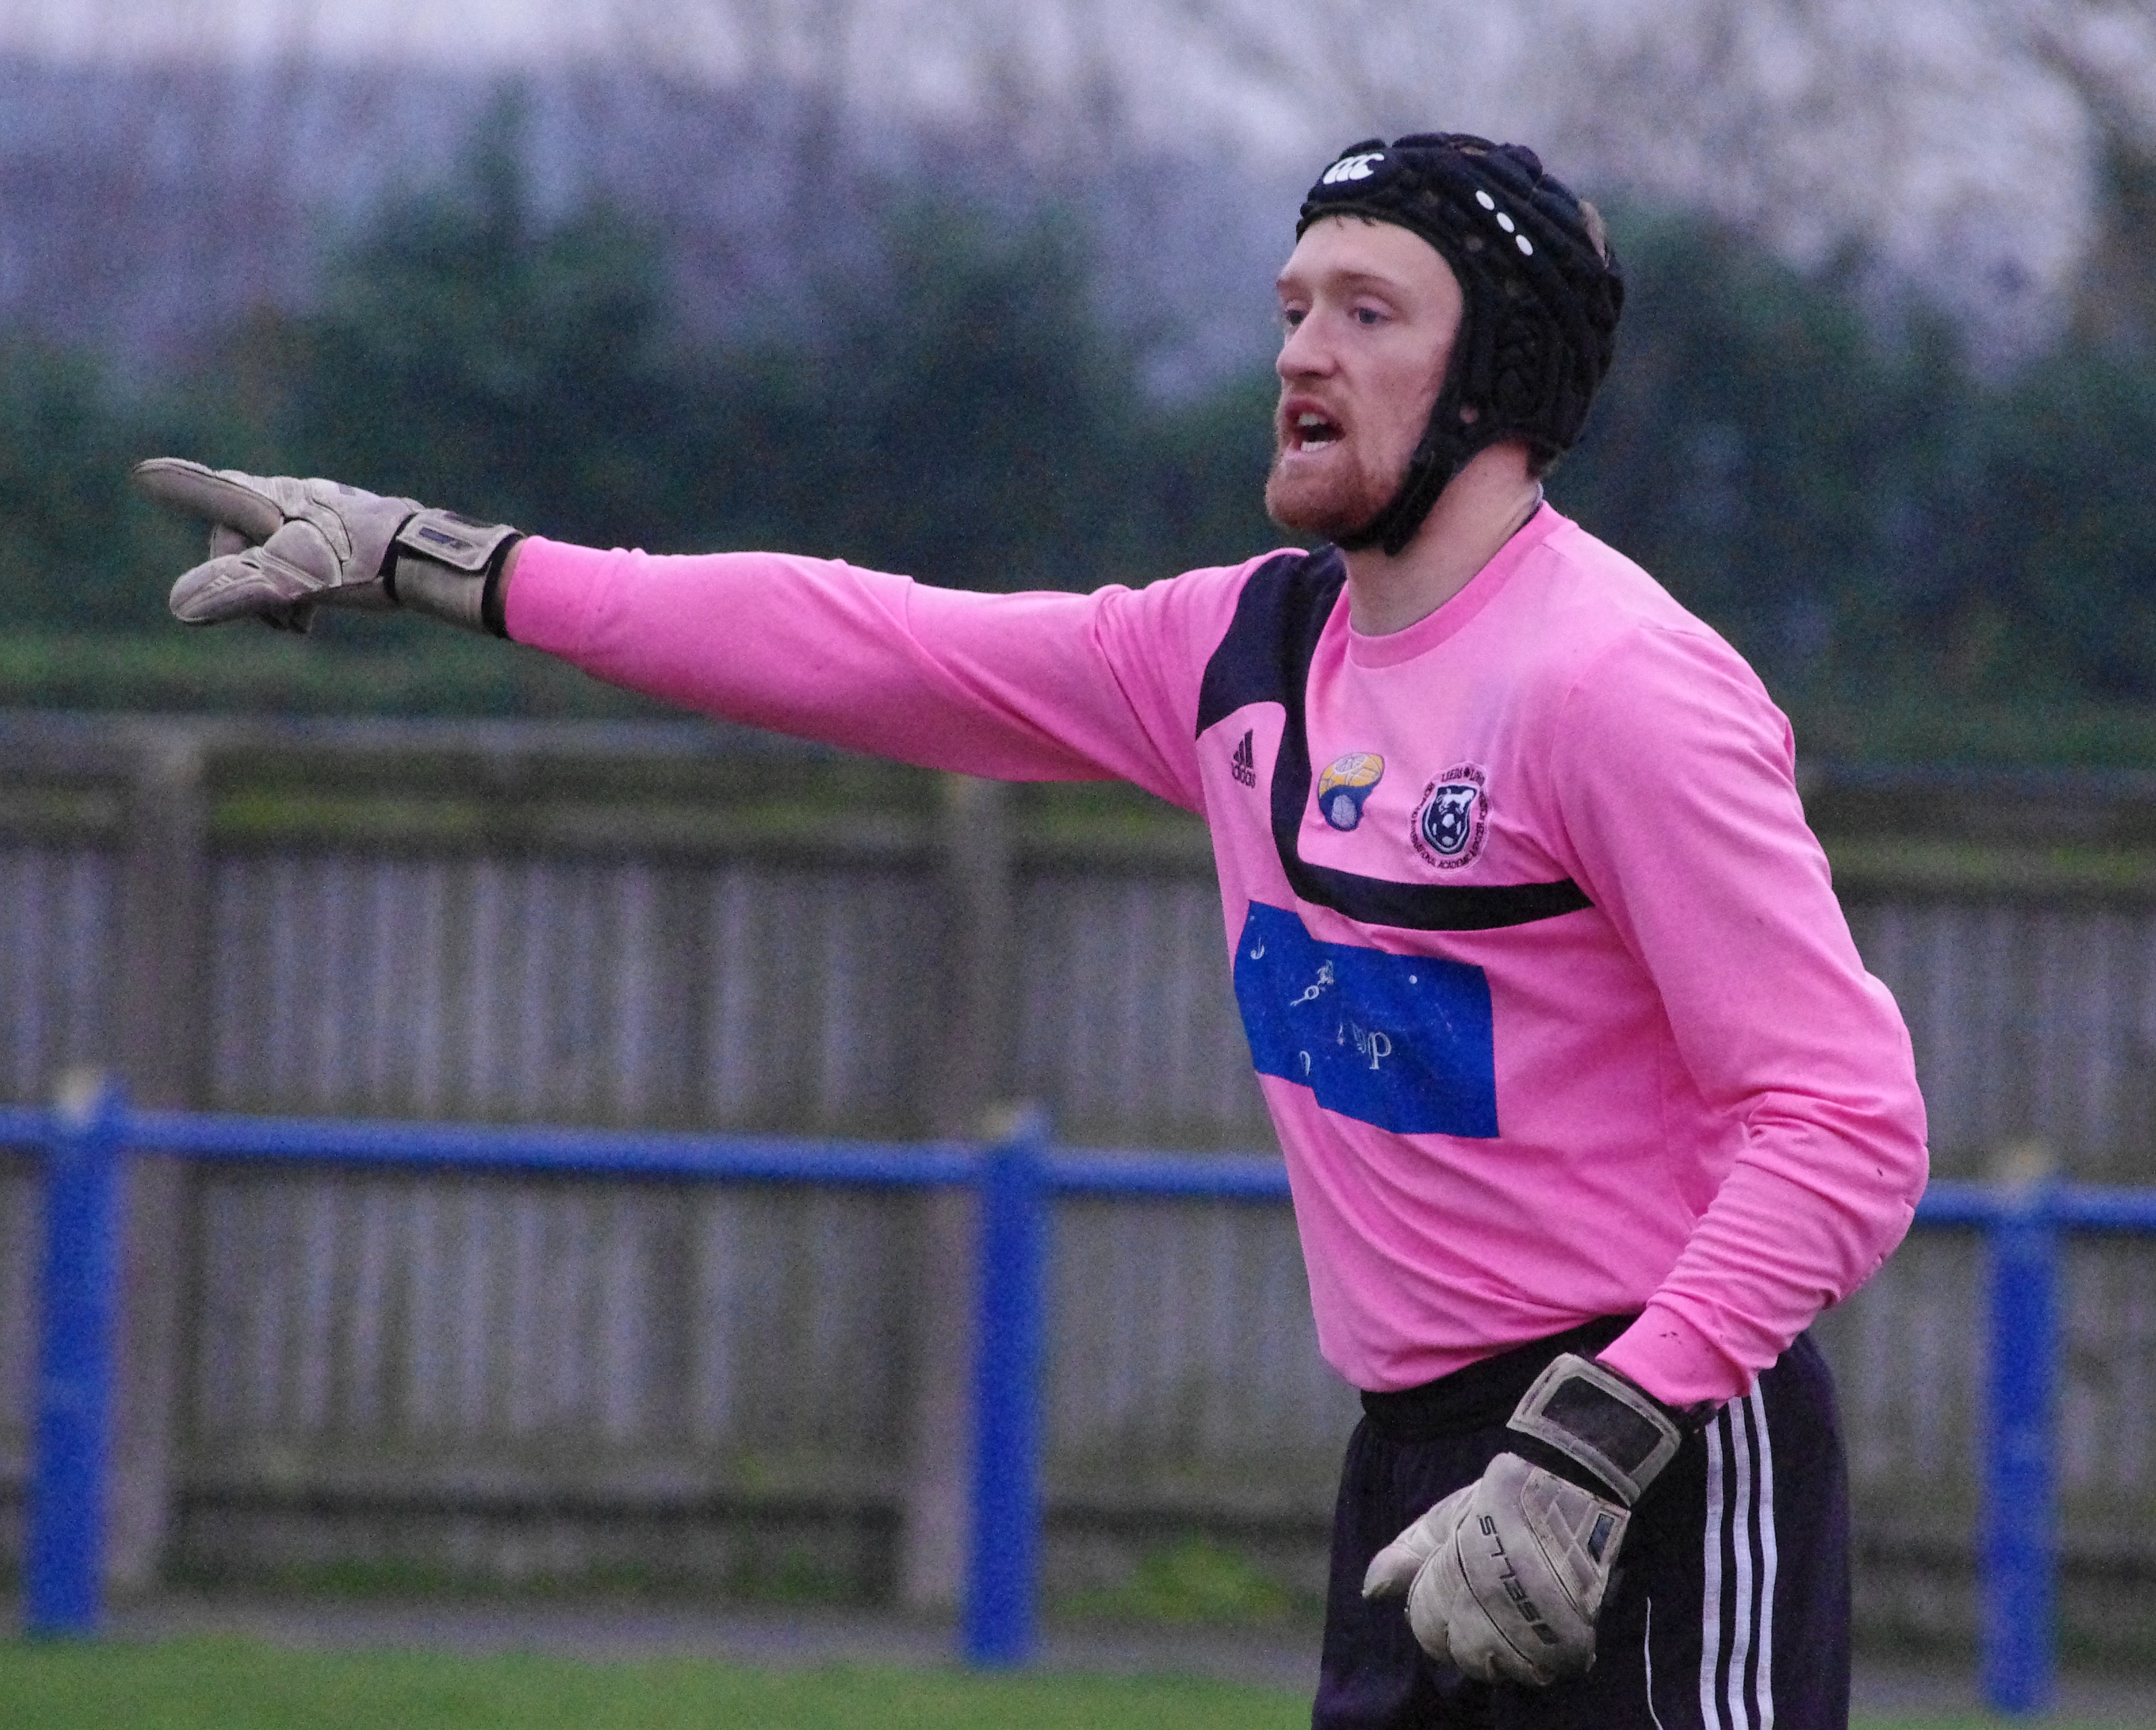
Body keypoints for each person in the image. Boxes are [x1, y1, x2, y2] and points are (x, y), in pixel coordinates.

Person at [136, 132, 1927, 1729]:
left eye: (1369, 310)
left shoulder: (1613, 688)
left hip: (1657, 1455)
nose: (1301, 349)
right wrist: (435, 560)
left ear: (1502, 375)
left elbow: (1846, 1129)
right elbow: (857, 642)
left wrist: (1594, 1442)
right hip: (1412, 1460)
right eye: (1292, 303)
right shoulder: (1240, 656)